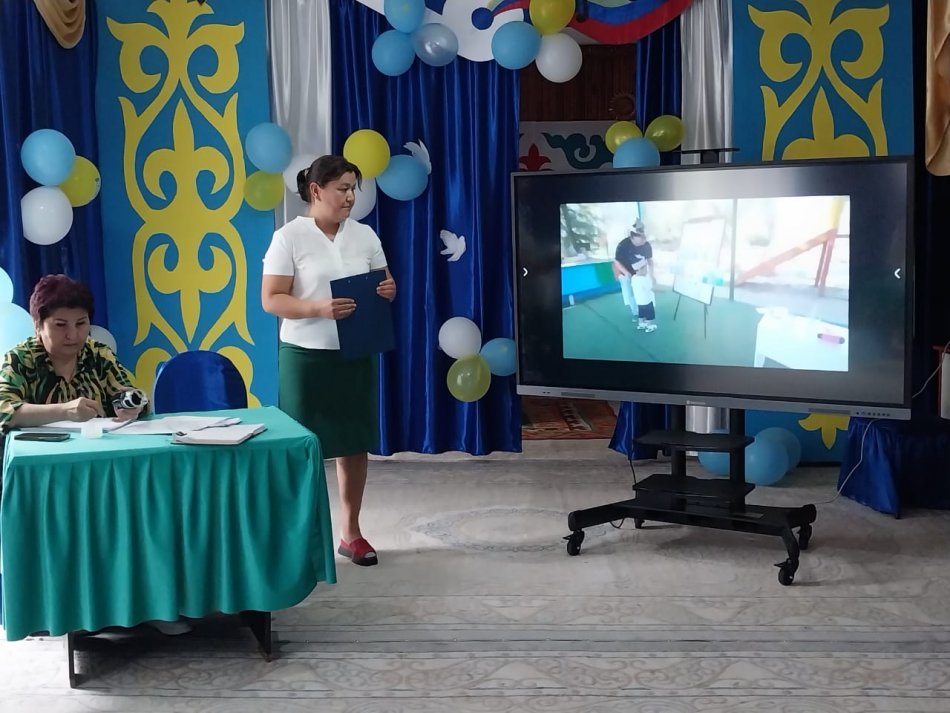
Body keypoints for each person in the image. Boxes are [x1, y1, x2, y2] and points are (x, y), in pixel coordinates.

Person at [261, 155, 396, 567]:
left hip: (356, 353)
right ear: (316, 190)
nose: (351, 197)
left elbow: (385, 282)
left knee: (354, 444)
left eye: (354, 188)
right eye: (343, 189)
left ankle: (351, 533)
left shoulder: (365, 235)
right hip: (306, 357)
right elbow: (271, 300)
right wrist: (317, 309)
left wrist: (388, 290)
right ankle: (298, 536)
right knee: (304, 447)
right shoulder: (289, 237)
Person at [0, 274, 146, 434]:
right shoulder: (20, 359)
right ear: (38, 325)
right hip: (40, 449)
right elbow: (3, 410)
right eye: (60, 325)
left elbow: (126, 393)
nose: (73, 335)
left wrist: (132, 405)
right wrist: (64, 411)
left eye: (81, 323)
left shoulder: (99, 354)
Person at [614, 219, 658, 333]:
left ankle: (641, 316)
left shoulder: (646, 245)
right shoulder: (623, 245)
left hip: (641, 272)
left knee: (642, 294)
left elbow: (650, 260)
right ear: (632, 237)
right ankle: (637, 314)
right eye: (641, 238)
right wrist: (627, 273)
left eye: (645, 237)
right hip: (625, 272)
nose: (644, 240)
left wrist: (652, 274)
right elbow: (617, 262)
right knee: (630, 294)